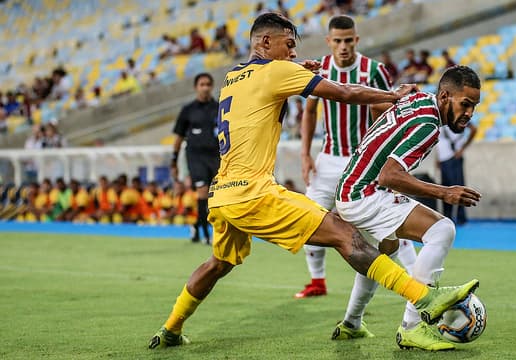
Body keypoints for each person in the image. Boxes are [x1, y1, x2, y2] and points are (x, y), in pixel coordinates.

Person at [148, 13, 479, 350]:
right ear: (265, 42)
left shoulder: (233, 77)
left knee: (218, 263)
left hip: (223, 194)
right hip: (255, 193)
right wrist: (393, 96)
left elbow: (265, 92)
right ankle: (424, 299)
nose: (293, 53)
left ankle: (171, 328)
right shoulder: (277, 71)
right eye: (288, 45)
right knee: (345, 234)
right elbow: (346, 92)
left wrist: (297, 71)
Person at [331, 65, 482, 351]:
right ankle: (413, 327)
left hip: (351, 188)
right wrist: (444, 192)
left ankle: (351, 323)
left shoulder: (420, 99)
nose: (470, 113)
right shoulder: (428, 125)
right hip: (365, 193)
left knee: (381, 254)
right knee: (442, 229)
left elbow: (379, 106)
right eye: (465, 104)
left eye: (474, 106)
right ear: (446, 96)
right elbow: (390, 175)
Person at [296, 15, 417, 299]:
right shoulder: (320, 69)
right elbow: (309, 112)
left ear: (357, 40)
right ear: (329, 42)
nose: (343, 46)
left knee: (389, 222)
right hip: (327, 158)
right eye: (337, 41)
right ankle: (317, 281)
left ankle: (418, 277)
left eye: (348, 40)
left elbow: (388, 111)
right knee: (308, 218)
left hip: (363, 163)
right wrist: (305, 154)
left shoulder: (373, 70)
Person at [171, 72, 220, 244]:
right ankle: (206, 233)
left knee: (214, 196)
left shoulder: (219, 108)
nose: (205, 87)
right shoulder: (188, 110)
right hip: (195, 156)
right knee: (202, 191)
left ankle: (197, 226)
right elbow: (178, 138)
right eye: (202, 84)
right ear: (196, 87)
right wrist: (174, 161)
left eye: (208, 84)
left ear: (212, 87)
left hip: (215, 156)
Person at [437, 118, 477, 225]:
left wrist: (462, 149)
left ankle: (461, 217)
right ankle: (447, 217)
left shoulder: (457, 116)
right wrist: (438, 159)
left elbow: (474, 129)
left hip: (454, 157)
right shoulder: (441, 118)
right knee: (445, 188)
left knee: (459, 187)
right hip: (443, 158)